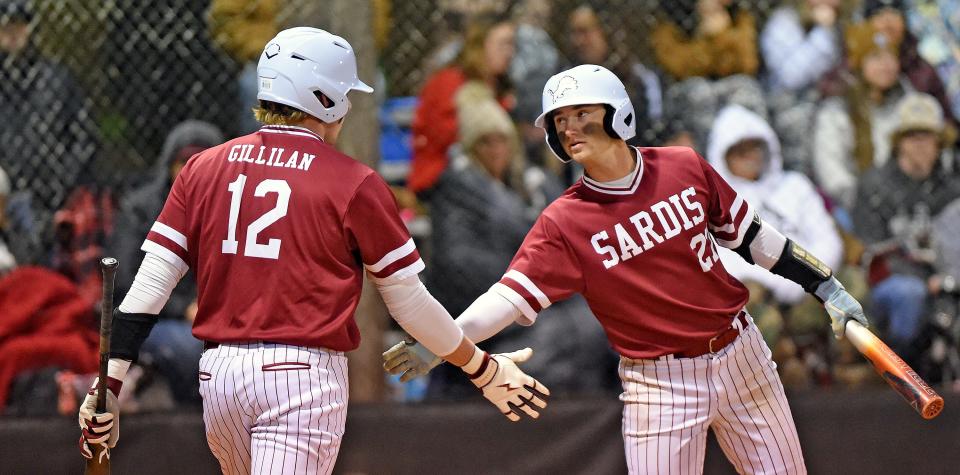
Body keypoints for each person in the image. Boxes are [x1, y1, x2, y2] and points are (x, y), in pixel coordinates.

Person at [77, 27, 550, 474]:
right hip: (300, 378)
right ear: (324, 100)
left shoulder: (203, 167)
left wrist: (108, 383)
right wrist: (482, 368)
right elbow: (409, 304)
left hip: (218, 376)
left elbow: (148, 288)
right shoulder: (353, 181)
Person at [384, 65, 869, 474]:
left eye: (581, 115)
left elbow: (757, 241)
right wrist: (444, 341)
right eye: (558, 121)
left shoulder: (684, 167)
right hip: (659, 383)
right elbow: (507, 298)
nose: (568, 128)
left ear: (619, 113)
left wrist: (827, 287)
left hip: (742, 355)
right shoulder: (565, 220)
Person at [853, 92, 960, 363]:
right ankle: (901, 371)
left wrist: (948, 280)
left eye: (928, 137)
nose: (920, 145)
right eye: (912, 137)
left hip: (946, 277)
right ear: (898, 142)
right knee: (909, 293)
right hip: (890, 283)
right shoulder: (873, 186)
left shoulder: (952, 190)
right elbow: (871, 255)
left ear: (940, 142)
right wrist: (927, 281)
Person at [408, 13, 516, 195]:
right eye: (503, 44)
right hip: (442, 180)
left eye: (512, 44)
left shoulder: (500, 87)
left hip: (487, 179)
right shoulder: (449, 82)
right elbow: (448, 139)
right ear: (480, 46)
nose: (510, 52)